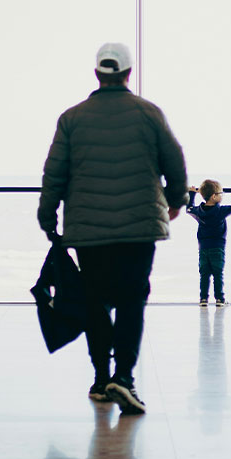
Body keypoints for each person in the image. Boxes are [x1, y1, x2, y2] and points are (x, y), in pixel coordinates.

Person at [37, 42, 188, 414]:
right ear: (128, 74)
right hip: (138, 228)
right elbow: (175, 161)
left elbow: (54, 173)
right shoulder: (149, 113)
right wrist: (175, 201)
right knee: (132, 298)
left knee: (95, 300)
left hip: (89, 230)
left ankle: (102, 378)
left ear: (97, 74)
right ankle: (124, 376)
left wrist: (47, 214)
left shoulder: (72, 118)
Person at [186, 180, 231, 307]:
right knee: (218, 273)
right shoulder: (220, 211)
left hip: (203, 248)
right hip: (217, 248)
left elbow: (189, 208)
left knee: (204, 274)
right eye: (220, 193)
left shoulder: (198, 211)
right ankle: (220, 299)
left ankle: (203, 299)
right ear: (213, 196)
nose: (222, 196)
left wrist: (192, 194)